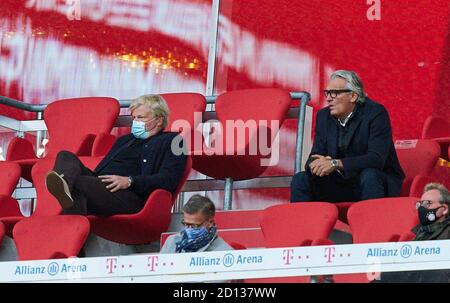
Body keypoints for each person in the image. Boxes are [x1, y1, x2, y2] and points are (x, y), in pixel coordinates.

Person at [45, 94, 187, 216]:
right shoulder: (124, 140)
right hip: (102, 186)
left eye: (141, 117)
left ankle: (66, 190)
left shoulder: (175, 141)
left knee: (78, 185)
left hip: (131, 196)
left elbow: (169, 179)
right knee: (65, 155)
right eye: (134, 118)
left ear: (159, 120)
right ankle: (65, 187)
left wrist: (130, 181)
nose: (135, 121)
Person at [290, 70, 405, 203]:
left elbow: (376, 159)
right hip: (341, 184)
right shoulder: (323, 116)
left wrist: (335, 163)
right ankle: (302, 223)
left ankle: (372, 223)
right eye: (327, 93)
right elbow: (315, 155)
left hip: (374, 183)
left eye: (335, 93)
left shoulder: (375, 113)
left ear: (353, 96)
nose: (328, 98)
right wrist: (316, 163)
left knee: (369, 175)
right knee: (301, 179)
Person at [375, 183, 450, 283]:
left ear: (444, 209)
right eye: (419, 205)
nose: (422, 209)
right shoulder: (418, 234)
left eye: (428, 203)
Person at [160, 195, 233, 253]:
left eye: (194, 226)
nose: (189, 229)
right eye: (185, 224)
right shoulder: (171, 242)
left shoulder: (224, 252)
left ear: (210, 222)